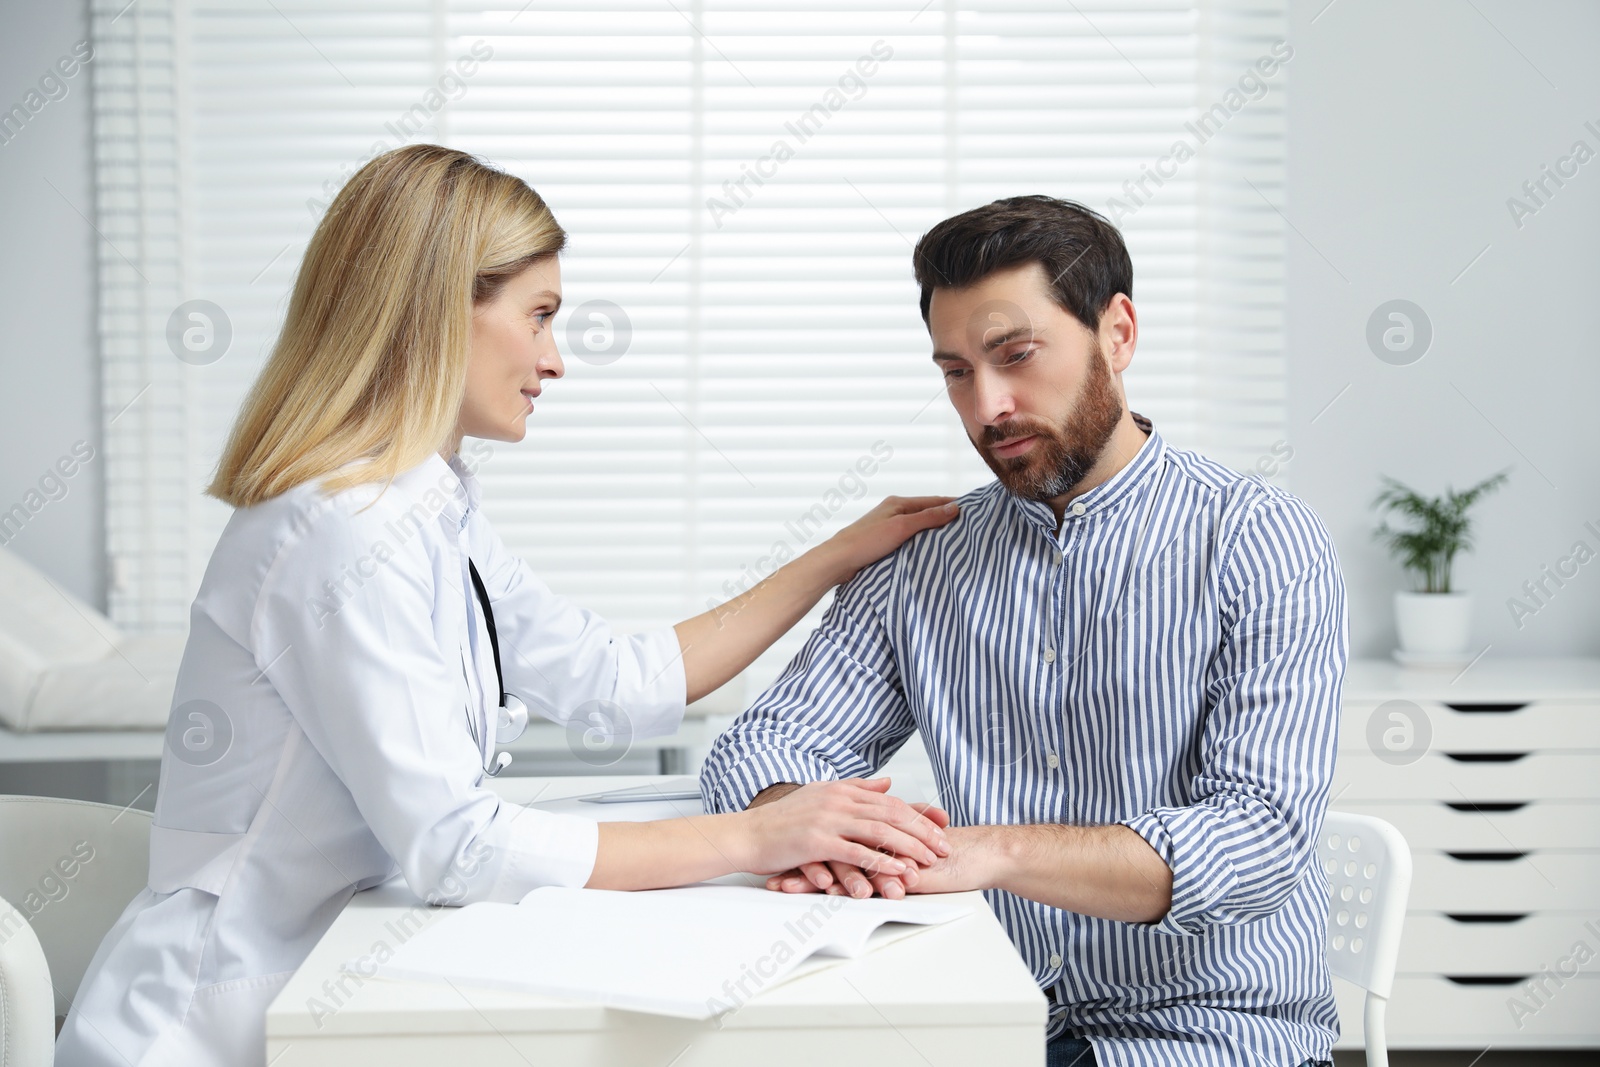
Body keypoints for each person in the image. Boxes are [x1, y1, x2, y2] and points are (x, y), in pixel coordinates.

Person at [55, 145, 956, 1067]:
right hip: (217, 1020)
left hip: (332, 969)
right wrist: (754, 833)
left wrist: (838, 553)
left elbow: (617, 679)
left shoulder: (426, 507)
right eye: (539, 317)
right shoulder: (340, 531)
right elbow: (454, 846)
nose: (554, 359)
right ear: (440, 312)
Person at [699, 195, 1347, 1067]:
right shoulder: (923, 559)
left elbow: (1258, 838)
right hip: (976, 1016)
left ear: (1117, 333)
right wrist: (809, 825)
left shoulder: (1259, 539)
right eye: (957, 372)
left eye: (1015, 356)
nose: (988, 405)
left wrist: (996, 850)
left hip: (1207, 1035)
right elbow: (767, 744)